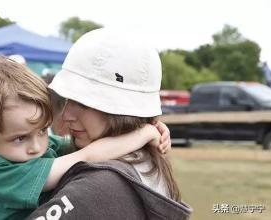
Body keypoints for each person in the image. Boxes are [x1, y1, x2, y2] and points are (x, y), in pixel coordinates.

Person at [0, 55, 170, 219]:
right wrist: (143, 133)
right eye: (20, 138)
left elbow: (77, 147)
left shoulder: (23, 148)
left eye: (42, 130)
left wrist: (147, 125)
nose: (37, 147)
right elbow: (88, 155)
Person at [28, 28, 192, 220]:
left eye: (83, 103)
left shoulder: (96, 187)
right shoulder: (144, 162)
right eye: (68, 100)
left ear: (120, 111)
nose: (66, 115)